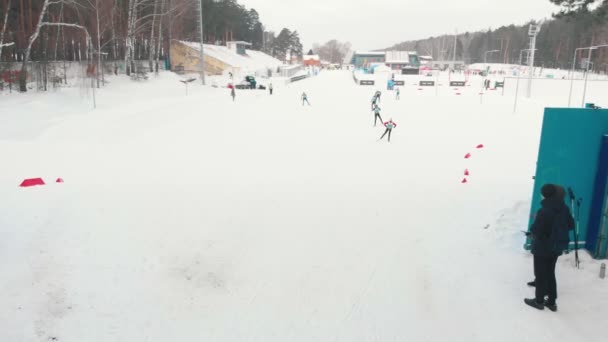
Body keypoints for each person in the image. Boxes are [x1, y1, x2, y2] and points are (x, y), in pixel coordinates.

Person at [525, 184, 574, 312]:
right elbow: (571, 225)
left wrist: (532, 233)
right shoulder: (564, 207)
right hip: (557, 246)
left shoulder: (544, 210)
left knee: (541, 274)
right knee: (550, 272)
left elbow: (536, 230)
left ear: (546, 195)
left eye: (542, 193)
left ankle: (539, 301)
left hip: (543, 247)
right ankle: (552, 302)